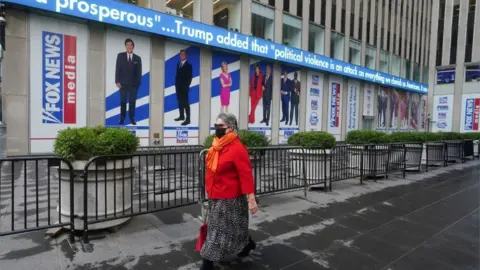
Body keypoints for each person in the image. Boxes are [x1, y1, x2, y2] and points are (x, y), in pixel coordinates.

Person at [201, 113, 259, 270]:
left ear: (231, 128)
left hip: (230, 197)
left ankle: (207, 262)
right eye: (216, 125)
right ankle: (247, 244)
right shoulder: (216, 145)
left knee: (216, 230)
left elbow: (246, 175)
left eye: (221, 126)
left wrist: (251, 198)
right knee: (235, 227)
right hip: (215, 193)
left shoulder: (237, 148)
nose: (217, 129)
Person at [115, 38, 142, 125]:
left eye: (131, 45)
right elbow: (117, 68)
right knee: (123, 101)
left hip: (133, 85)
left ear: (133, 47)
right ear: (125, 46)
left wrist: (138, 84)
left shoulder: (137, 58)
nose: (129, 46)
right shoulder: (120, 56)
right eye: (127, 45)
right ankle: (122, 118)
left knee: (132, 102)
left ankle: (131, 118)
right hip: (123, 84)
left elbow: (139, 72)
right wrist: (117, 81)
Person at [174, 49, 193, 126]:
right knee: (180, 101)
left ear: (185, 55)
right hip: (178, 87)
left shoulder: (189, 65)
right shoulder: (178, 64)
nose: (181, 56)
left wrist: (186, 86)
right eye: (180, 54)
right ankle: (181, 116)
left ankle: (188, 119)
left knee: (185, 103)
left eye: (183, 54)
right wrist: (176, 84)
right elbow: (177, 75)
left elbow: (190, 77)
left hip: (184, 87)